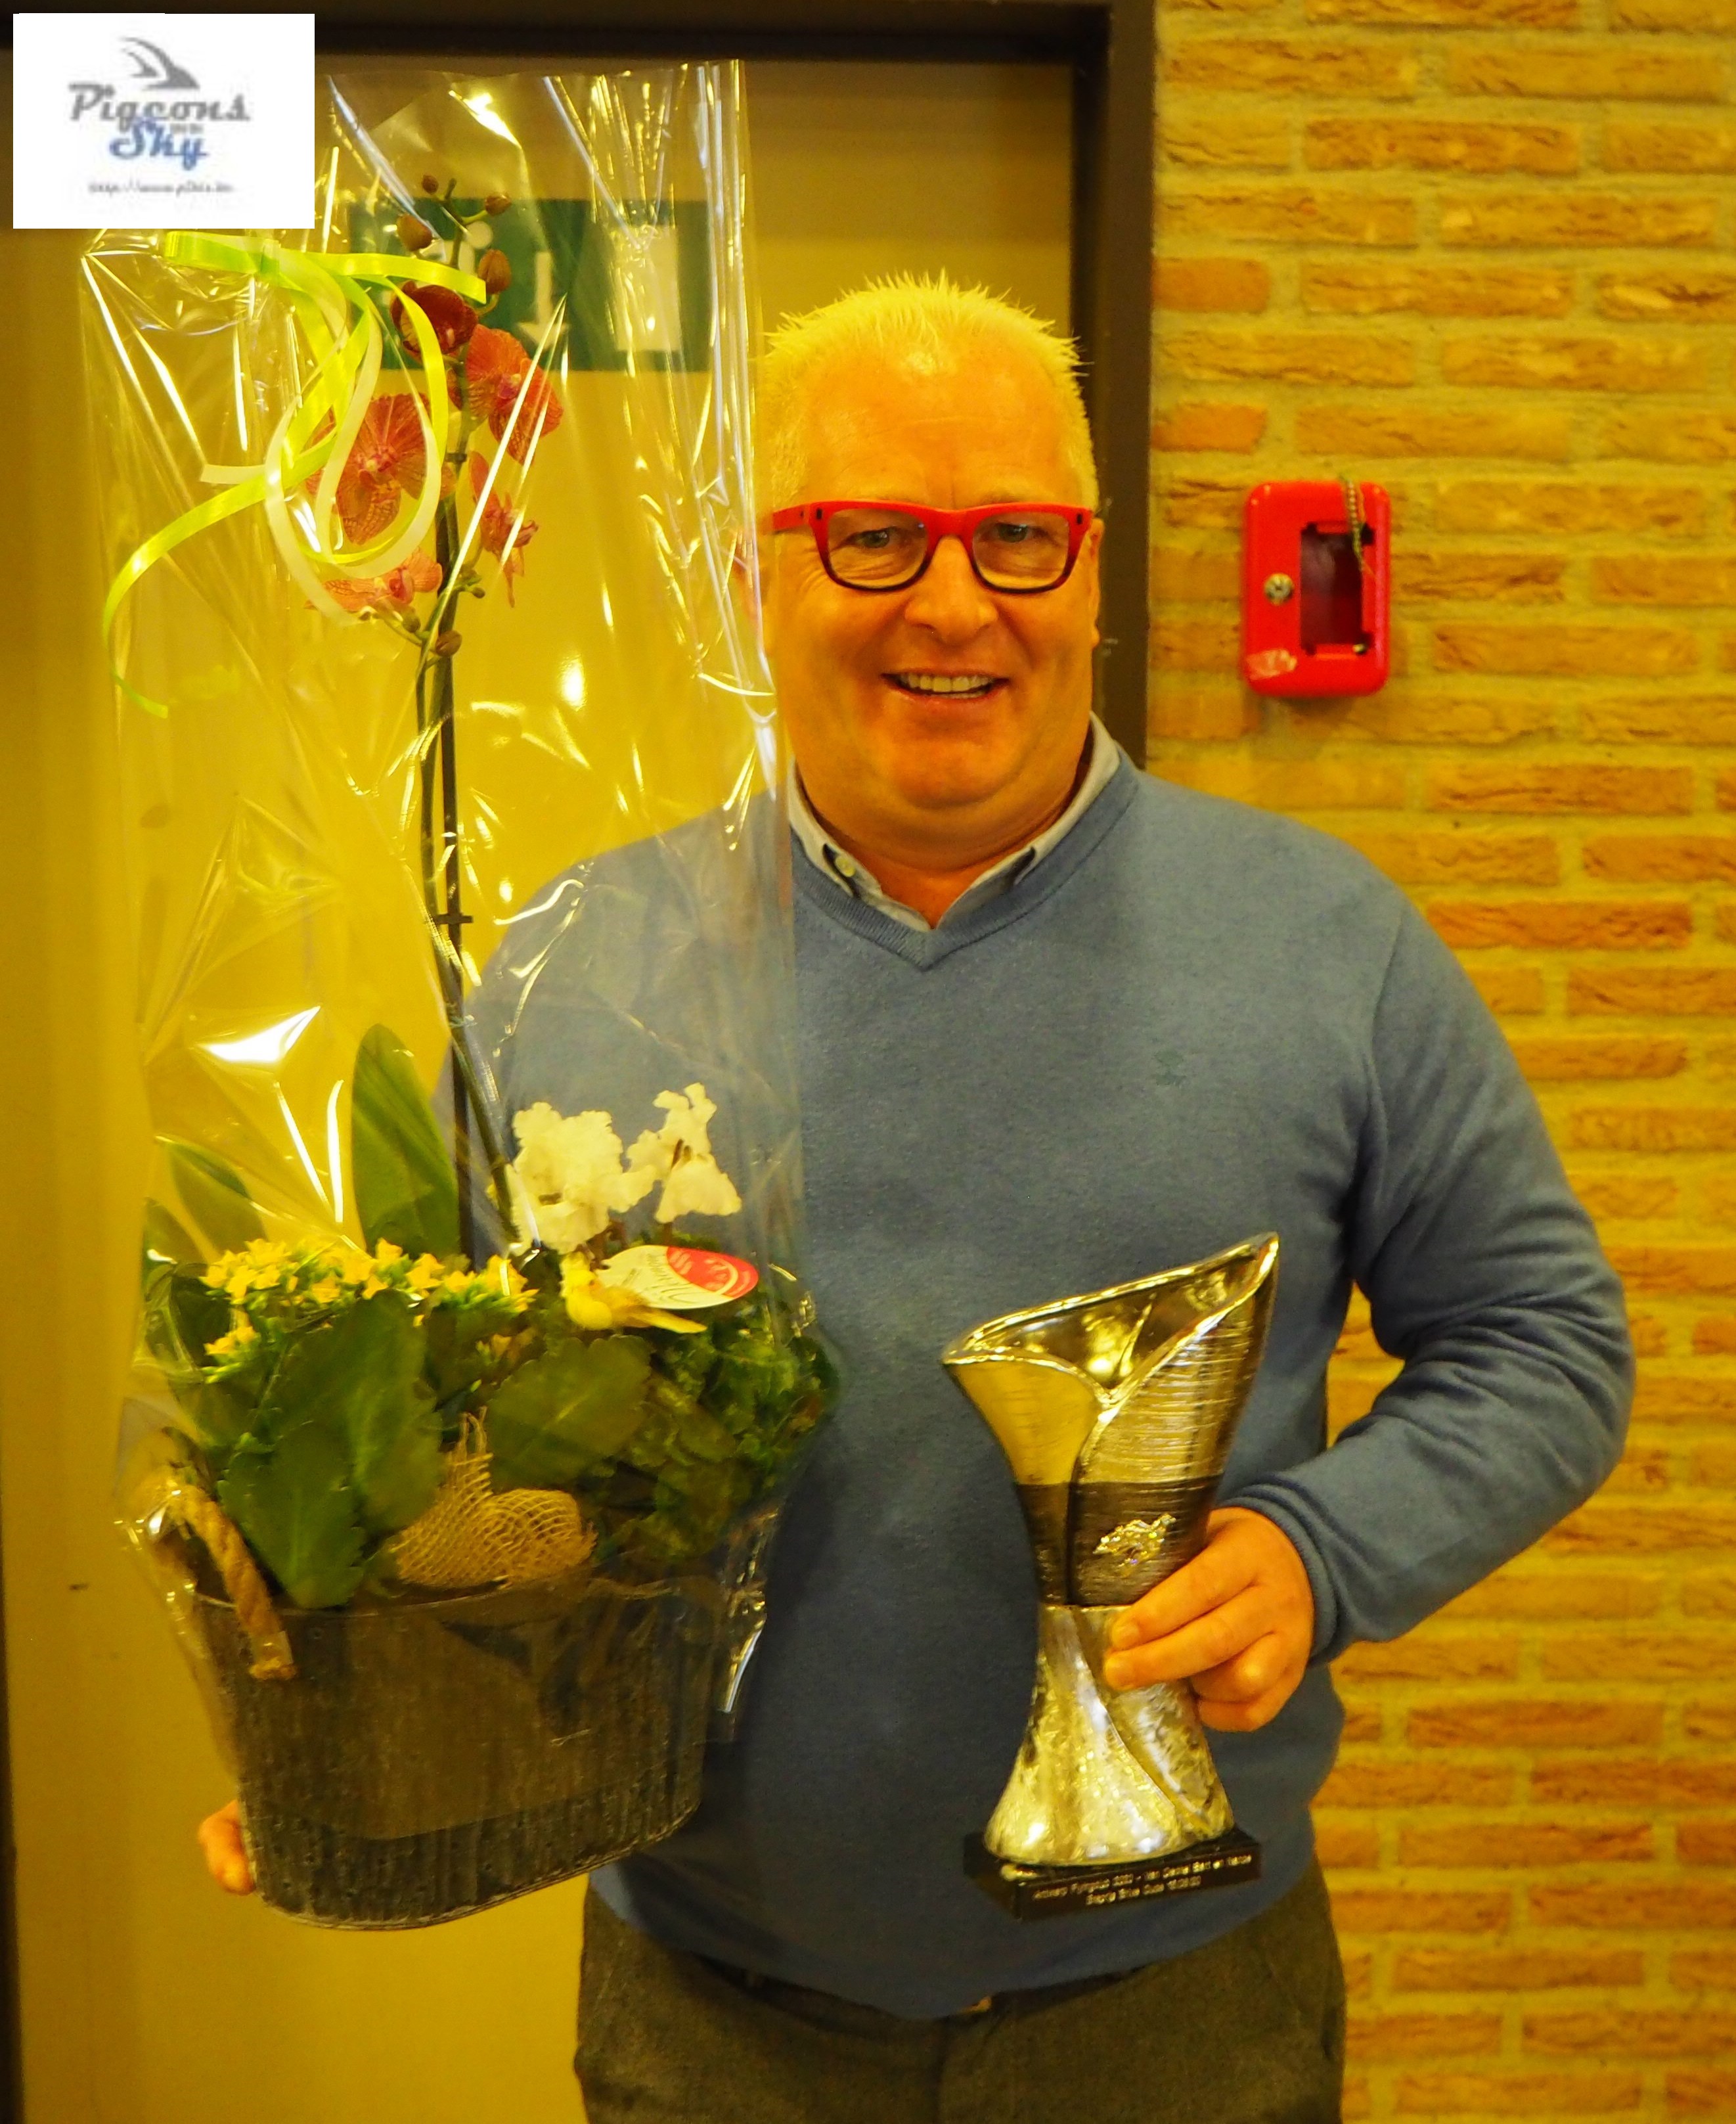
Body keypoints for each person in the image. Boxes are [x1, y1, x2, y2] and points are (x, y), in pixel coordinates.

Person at [201, 278, 1632, 2121]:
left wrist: (1320, 1550)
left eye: (1016, 538)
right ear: (756, 577)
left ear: (1093, 576)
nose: (954, 605)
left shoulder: (1322, 942)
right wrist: (342, 1706)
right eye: (872, 536)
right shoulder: (576, 967)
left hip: (1185, 2014)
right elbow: (439, 1455)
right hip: (709, 2016)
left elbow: (1544, 1342)